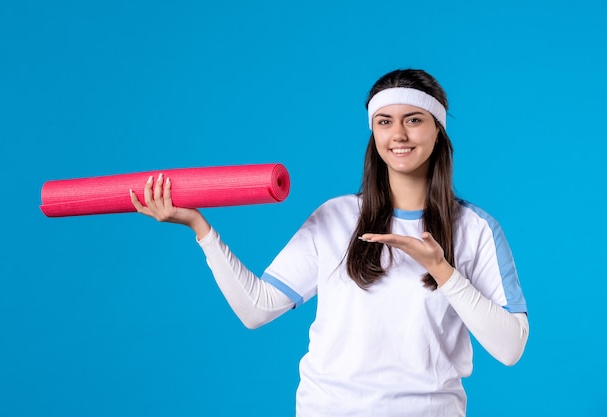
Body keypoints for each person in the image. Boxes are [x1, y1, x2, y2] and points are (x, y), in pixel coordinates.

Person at [130, 69, 529, 417]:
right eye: (385, 122)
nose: (399, 135)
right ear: (373, 133)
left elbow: (510, 348)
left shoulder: (475, 229)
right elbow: (257, 309)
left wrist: (443, 271)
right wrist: (201, 228)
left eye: (414, 120)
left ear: (438, 130)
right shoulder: (335, 217)